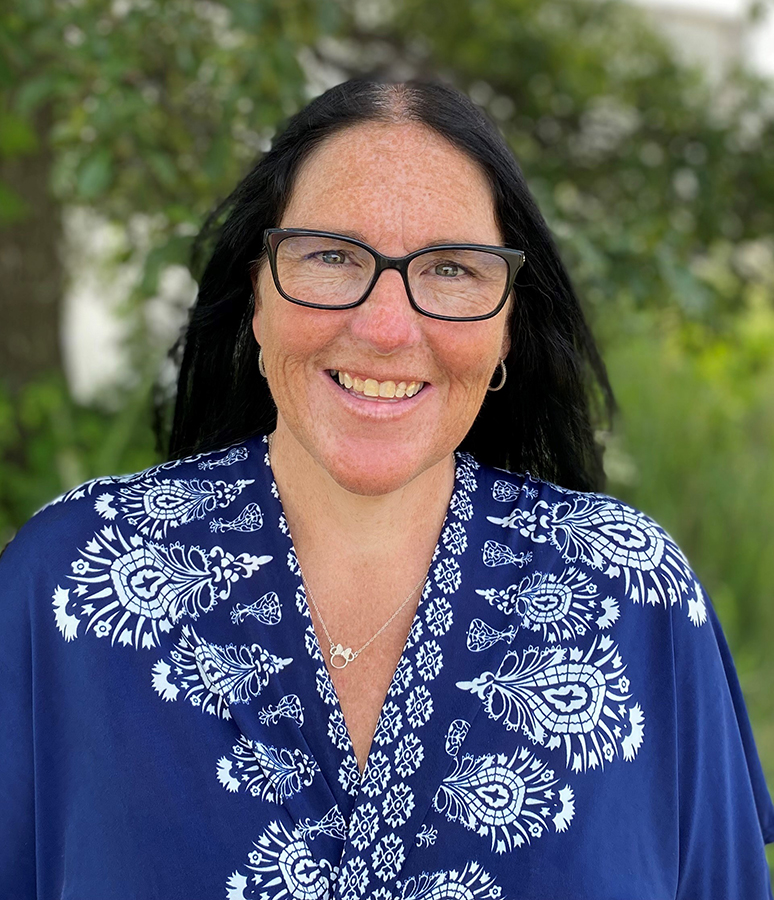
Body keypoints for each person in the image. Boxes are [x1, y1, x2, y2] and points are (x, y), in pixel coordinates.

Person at [1, 79, 772, 900]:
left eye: (450, 269)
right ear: (256, 295)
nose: (386, 327)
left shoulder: (634, 596)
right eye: (332, 256)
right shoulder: (67, 585)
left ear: (506, 321)